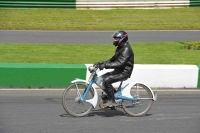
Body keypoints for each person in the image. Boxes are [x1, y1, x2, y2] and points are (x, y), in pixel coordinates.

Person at [97, 30, 134, 107]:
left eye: (116, 39)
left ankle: (112, 101)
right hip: (119, 71)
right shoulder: (120, 48)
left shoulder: (126, 49)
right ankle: (112, 97)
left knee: (107, 81)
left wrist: (105, 66)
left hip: (124, 72)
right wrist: (102, 63)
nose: (114, 40)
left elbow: (120, 63)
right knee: (101, 79)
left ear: (122, 39)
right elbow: (112, 60)